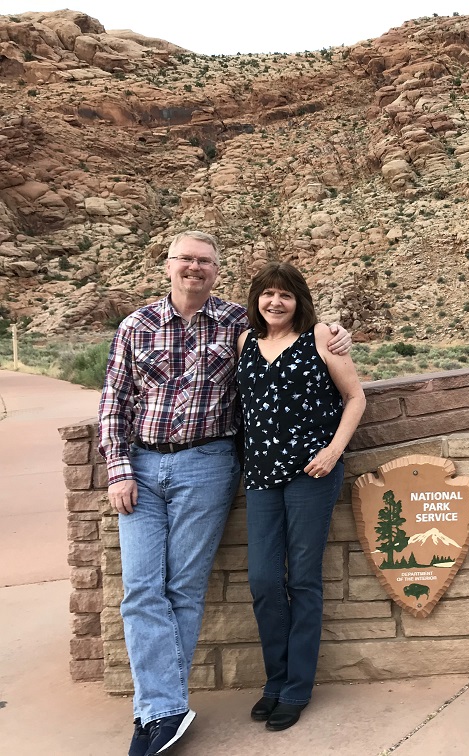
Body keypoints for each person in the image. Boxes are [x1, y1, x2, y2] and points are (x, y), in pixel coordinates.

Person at [99, 231, 351, 756]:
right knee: (144, 590)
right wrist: (118, 469)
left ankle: (195, 707)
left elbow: (315, 344)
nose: (194, 268)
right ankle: (161, 708)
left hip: (213, 465)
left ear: (216, 270)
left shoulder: (237, 322)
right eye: (185, 259)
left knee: (190, 588)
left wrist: (337, 333)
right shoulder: (137, 325)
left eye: (205, 261)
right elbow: (113, 402)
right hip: (149, 466)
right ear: (168, 265)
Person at [236, 262, 365, 731]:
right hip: (261, 473)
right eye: (267, 294)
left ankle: (296, 688)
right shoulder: (244, 342)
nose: (276, 302)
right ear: (257, 299)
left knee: (304, 580)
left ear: (299, 301)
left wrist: (333, 451)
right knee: (264, 580)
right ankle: (275, 680)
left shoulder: (321, 337)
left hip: (312, 472)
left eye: (285, 294)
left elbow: (355, 397)